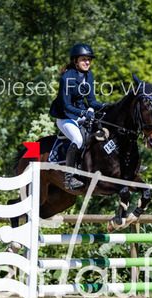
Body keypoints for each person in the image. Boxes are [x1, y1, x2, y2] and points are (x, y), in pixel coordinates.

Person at [49, 43, 104, 190]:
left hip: (79, 113)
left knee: (101, 128)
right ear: (75, 61)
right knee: (78, 139)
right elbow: (66, 106)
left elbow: (91, 101)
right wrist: (84, 113)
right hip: (65, 117)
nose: (87, 62)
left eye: (89, 59)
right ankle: (69, 177)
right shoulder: (67, 78)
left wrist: (106, 106)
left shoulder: (88, 75)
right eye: (83, 59)